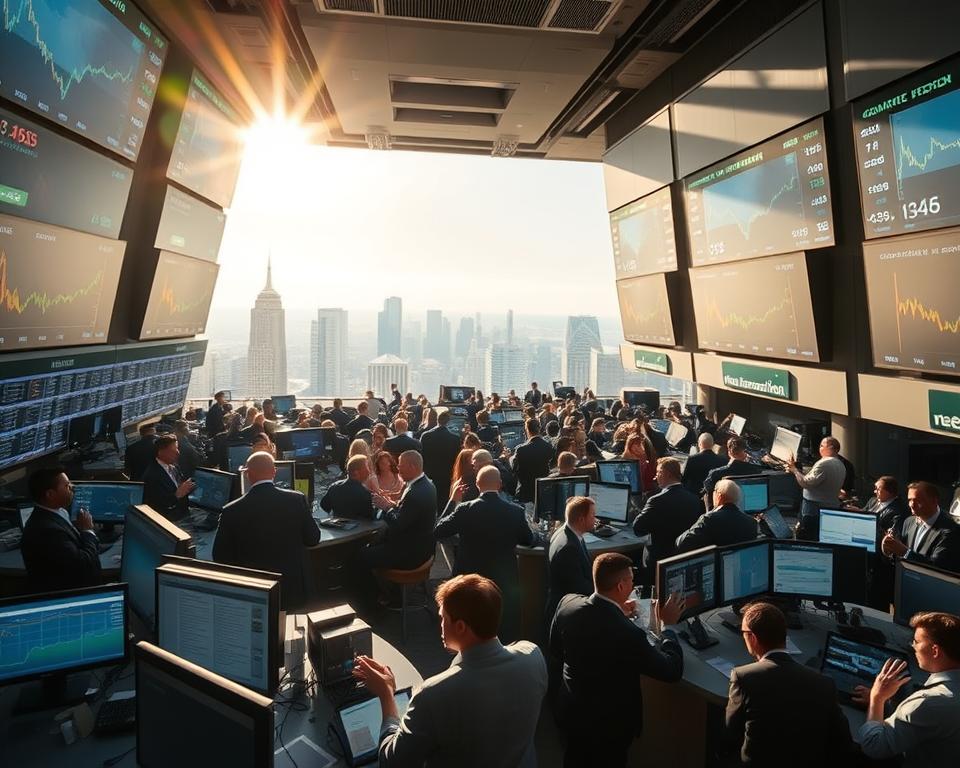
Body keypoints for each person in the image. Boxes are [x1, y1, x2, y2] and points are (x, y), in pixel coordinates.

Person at [353, 574, 547, 767]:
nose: (440, 626)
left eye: (443, 618)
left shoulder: (433, 694)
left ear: (461, 627)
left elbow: (392, 763)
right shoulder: (533, 656)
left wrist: (387, 694)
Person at [550, 552, 684, 767]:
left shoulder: (567, 603)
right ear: (621, 586)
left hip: (572, 712)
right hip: (609, 727)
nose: (633, 584)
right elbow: (671, 670)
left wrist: (617, 611)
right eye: (631, 580)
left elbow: (556, 650)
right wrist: (669, 626)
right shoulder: (629, 635)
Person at [725, 602, 853, 766]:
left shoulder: (743, 677)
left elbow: (730, 733)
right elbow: (843, 743)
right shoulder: (825, 683)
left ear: (752, 638)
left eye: (743, 632)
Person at [435, 466, 533, 641]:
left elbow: (439, 530)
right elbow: (528, 540)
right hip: (503, 583)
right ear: (500, 484)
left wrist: (452, 500)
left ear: (478, 485)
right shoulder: (515, 512)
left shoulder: (464, 510)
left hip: (469, 582)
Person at [213, 452, 320, 611]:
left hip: (254, 590)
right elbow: (313, 538)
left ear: (248, 474)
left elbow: (220, 557)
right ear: (274, 472)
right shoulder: (296, 500)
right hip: (293, 588)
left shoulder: (230, 511)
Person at [856, 611, 960, 767]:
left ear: (935, 651)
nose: (913, 646)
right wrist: (887, 707)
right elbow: (929, 723)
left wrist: (877, 699)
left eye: (917, 641)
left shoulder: (928, 702)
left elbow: (874, 746)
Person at [21, 467, 101, 593]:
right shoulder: (47, 531)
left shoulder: (59, 512)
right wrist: (87, 531)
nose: (72, 487)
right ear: (50, 494)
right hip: (69, 594)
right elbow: (84, 566)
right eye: (67, 485)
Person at [633, 458, 704, 583]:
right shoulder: (694, 500)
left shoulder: (656, 500)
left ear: (666, 474)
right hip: (682, 559)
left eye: (658, 473)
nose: (655, 477)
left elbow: (638, 529)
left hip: (657, 561)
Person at [365, 451, 437, 570]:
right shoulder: (427, 483)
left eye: (400, 465)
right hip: (422, 547)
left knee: (361, 554)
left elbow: (398, 525)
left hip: (410, 553)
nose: (398, 469)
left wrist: (386, 507)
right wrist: (390, 504)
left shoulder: (414, 493)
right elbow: (408, 513)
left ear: (412, 467)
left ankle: (377, 588)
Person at [881, 481, 960, 573]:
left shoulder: (951, 530)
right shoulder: (909, 521)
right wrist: (888, 550)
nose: (911, 505)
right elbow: (898, 559)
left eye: (918, 500)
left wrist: (905, 552)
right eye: (910, 500)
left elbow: (937, 568)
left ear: (934, 501)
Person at [546, 496, 596, 624]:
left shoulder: (567, 532)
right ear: (581, 519)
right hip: (568, 617)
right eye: (592, 515)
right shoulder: (569, 548)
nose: (595, 520)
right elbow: (579, 587)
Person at [787, 436, 846, 540]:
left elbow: (806, 483)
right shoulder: (841, 464)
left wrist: (794, 470)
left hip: (814, 508)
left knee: (808, 536)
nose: (819, 448)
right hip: (831, 506)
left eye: (822, 446)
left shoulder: (824, 463)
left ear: (831, 447)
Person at [676, 478, 758, 552]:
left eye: (714, 491)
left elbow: (681, 543)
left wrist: (710, 513)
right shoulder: (752, 523)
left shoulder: (709, 519)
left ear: (719, 496)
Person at [141, 435, 195, 520]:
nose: (178, 452)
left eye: (177, 448)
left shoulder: (173, 466)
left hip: (184, 513)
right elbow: (156, 505)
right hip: (169, 521)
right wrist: (177, 495)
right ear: (160, 452)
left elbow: (180, 485)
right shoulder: (152, 475)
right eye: (173, 450)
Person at [421, 410, 461, 512]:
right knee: (443, 504)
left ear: (437, 421)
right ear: (448, 422)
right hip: (447, 476)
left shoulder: (426, 436)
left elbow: (422, 456)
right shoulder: (455, 439)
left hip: (430, 475)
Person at [702, 437, 761, 506]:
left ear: (729, 452)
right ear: (745, 453)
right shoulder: (755, 471)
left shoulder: (715, 474)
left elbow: (707, 490)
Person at [510, 418, 555, 503]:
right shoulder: (548, 447)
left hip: (525, 494)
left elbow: (514, 470)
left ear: (527, 430)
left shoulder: (521, 450)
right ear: (539, 428)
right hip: (543, 491)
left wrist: (509, 459)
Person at [320, 455, 375, 520]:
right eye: (367, 467)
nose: (369, 471)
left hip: (338, 527)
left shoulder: (334, 487)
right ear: (356, 472)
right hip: (358, 529)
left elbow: (324, 505)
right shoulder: (364, 493)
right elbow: (369, 517)